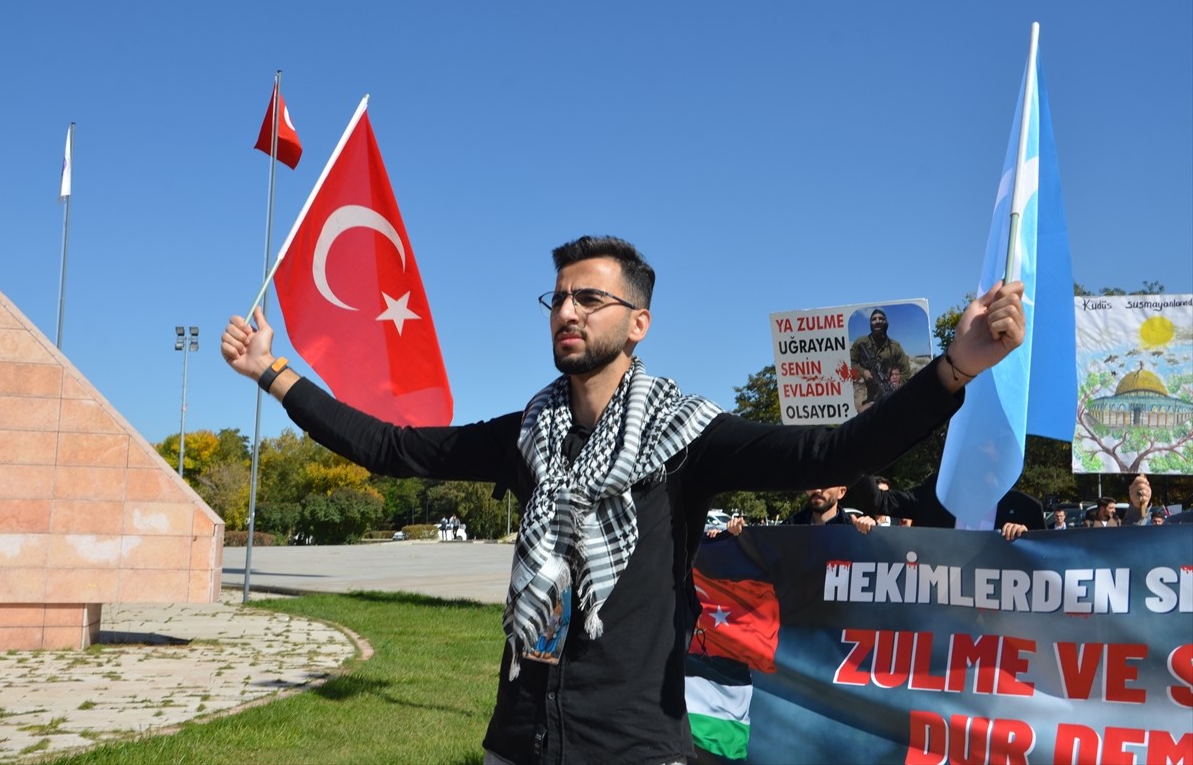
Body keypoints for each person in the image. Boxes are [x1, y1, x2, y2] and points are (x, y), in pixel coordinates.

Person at [221, 235, 1025, 765]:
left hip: (634, 738)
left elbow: (834, 450)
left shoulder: (689, 436)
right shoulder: (526, 434)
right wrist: (274, 373)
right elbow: (393, 448)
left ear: (638, 323)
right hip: (523, 732)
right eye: (558, 298)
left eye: (589, 299)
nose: (566, 311)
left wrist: (952, 368)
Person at [846, 473, 1041, 540]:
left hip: (997, 625)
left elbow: (1050, 567)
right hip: (938, 617)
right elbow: (879, 501)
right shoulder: (937, 493)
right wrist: (857, 450)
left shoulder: (1026, 509)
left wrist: (1027, 539)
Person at [850, 308, 913, 410]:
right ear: (870, 323)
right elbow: (849, 362)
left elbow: (906, 371)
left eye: (880, 319)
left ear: (886, 322)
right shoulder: (861, 342)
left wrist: (899, 384)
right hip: (872, 397)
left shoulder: (894, 347)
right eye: (874, 319)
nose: (877, 321)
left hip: (892, 395)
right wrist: (863, 372)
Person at [785, 486, 877, 534]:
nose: (817, 490)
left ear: (841, 492)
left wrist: (873, 532)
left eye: (825, 484)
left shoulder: (853, 529)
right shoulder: (788, 528)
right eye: (812, 482)